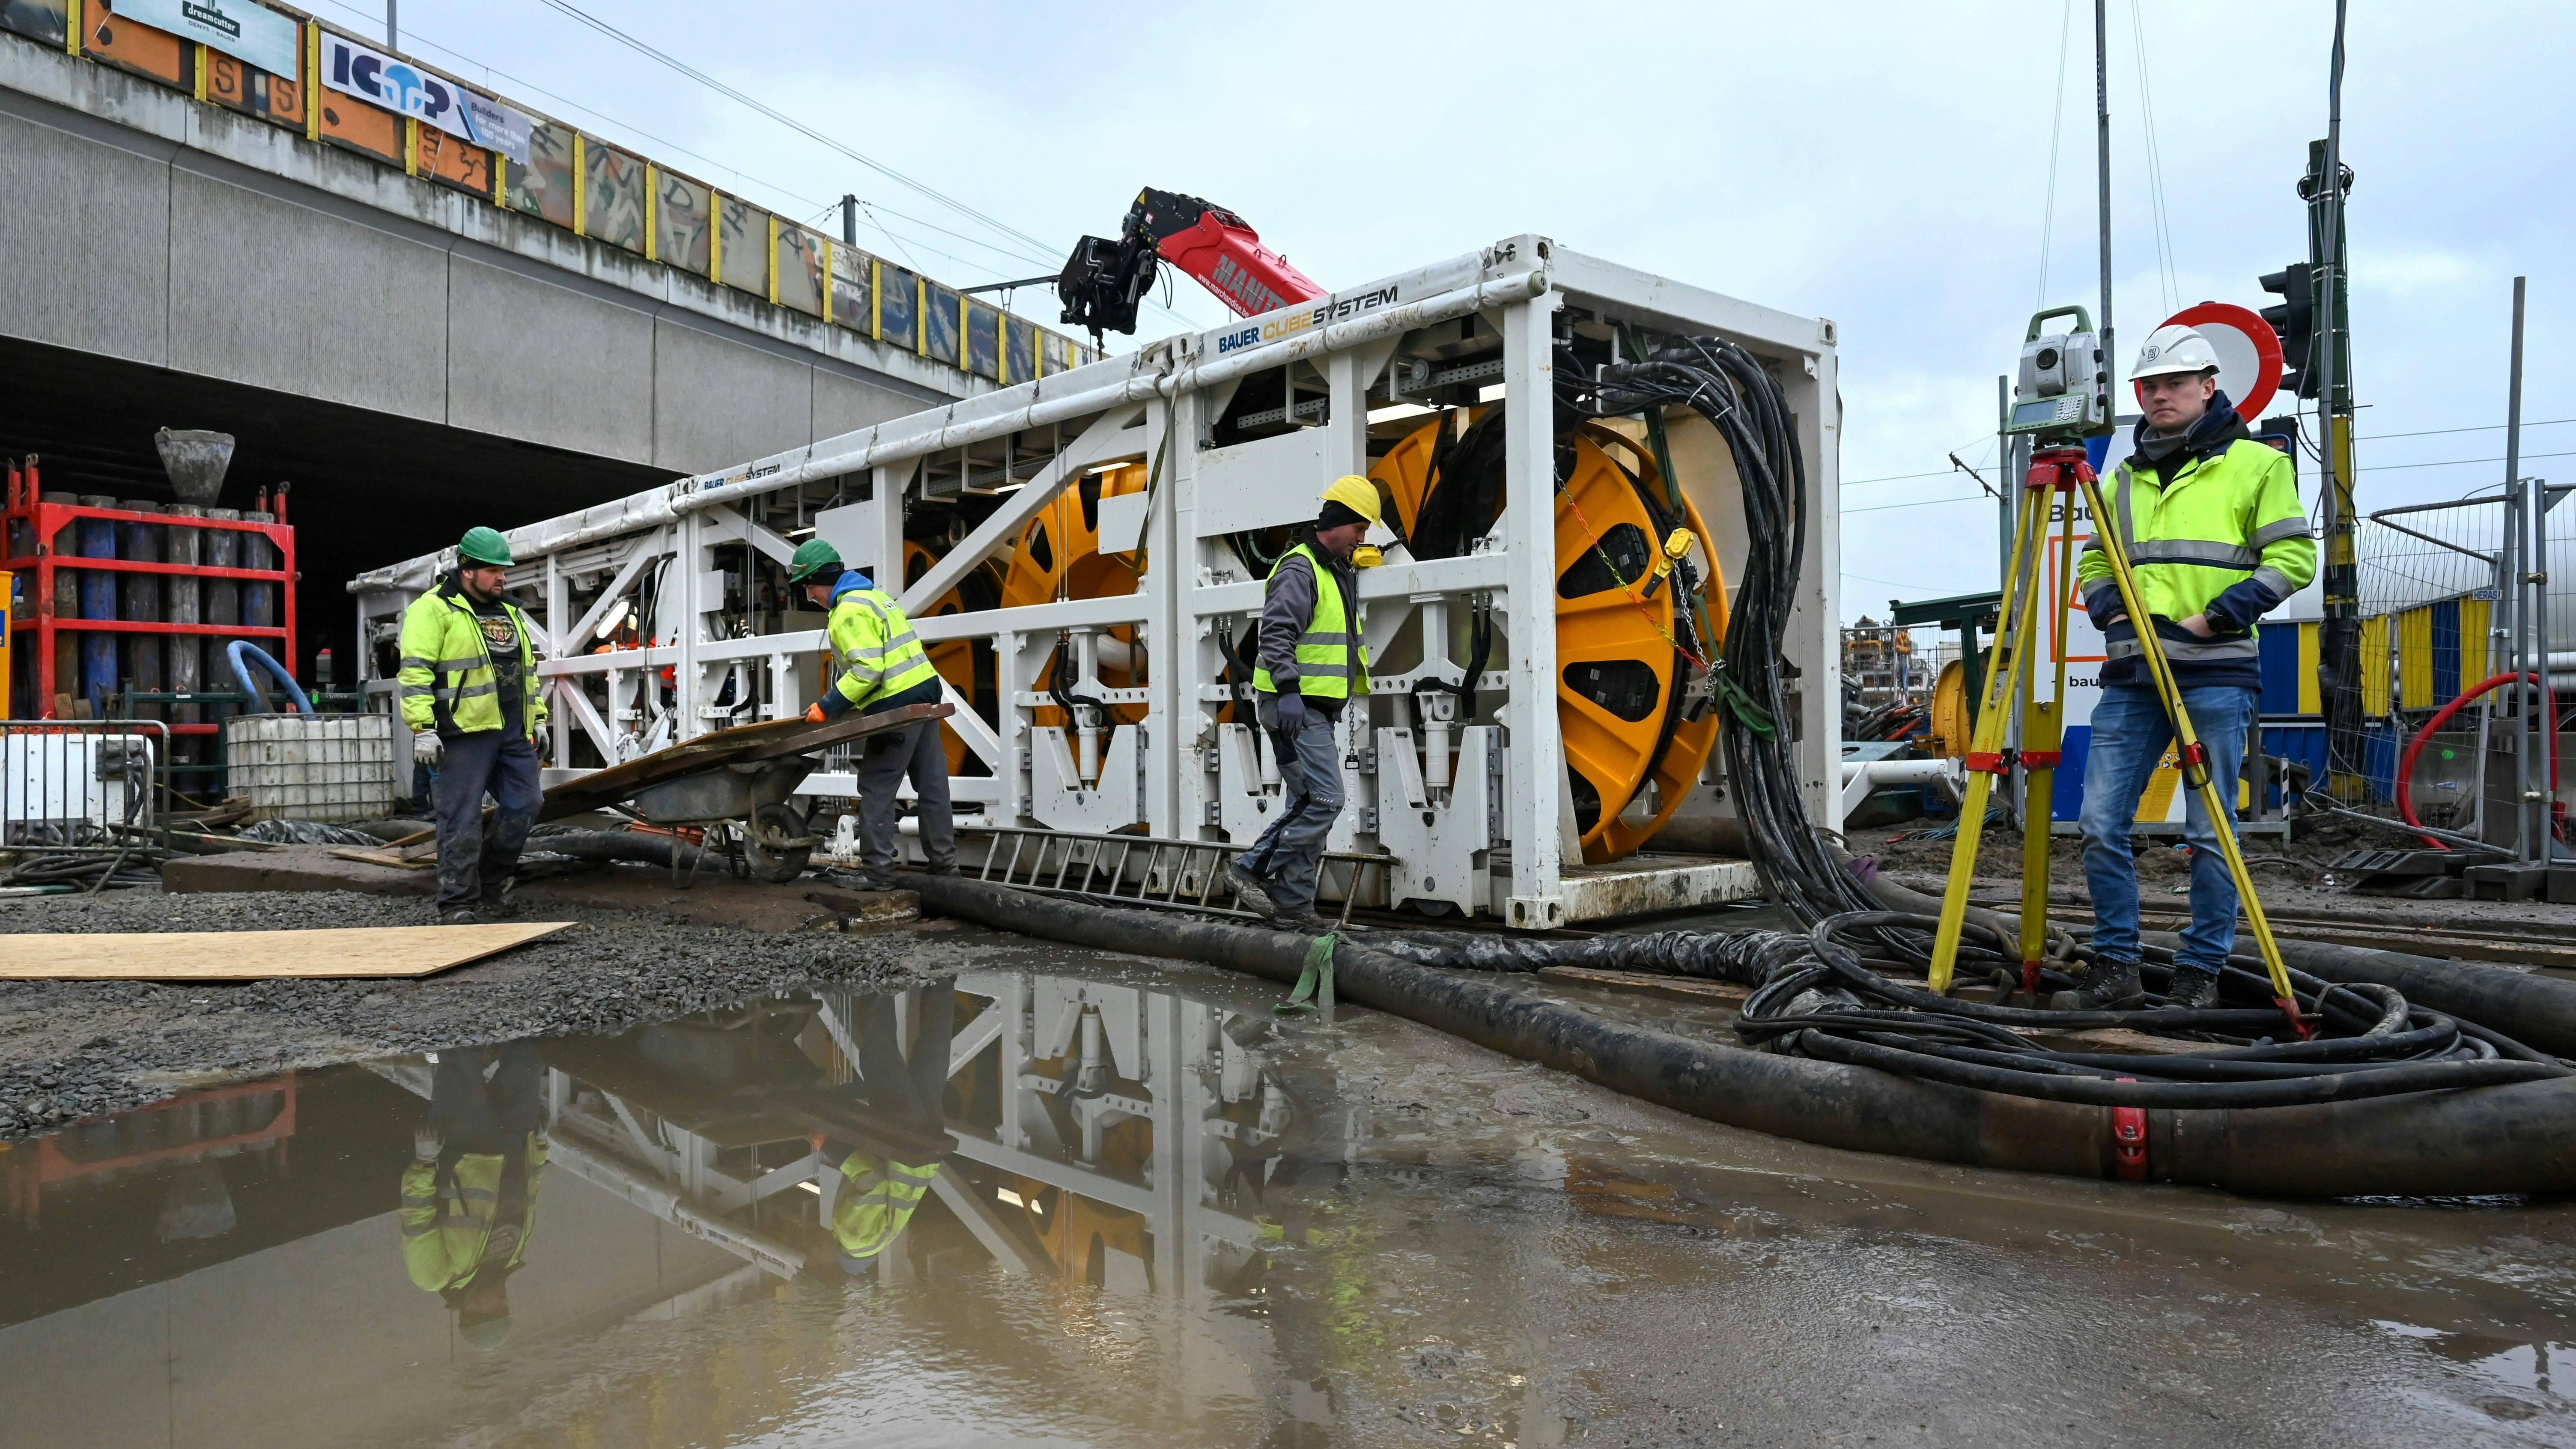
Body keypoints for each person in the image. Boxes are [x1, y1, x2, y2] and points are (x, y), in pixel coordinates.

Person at [2059, 325, 2318, 1011]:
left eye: (2174, 383)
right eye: (2150, 386)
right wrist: (2114, 615)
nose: (2159, 396)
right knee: (2099, 824)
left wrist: (2215, 620)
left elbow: (2293, 559)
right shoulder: (2122, 478)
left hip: (2214, 673)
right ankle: (2115, 965)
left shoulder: (2256, 465)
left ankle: (2200, 972)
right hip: (2135, 677)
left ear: (2209, 386)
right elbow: (2094, 560)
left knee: (2210, 833)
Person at [1226, 475, 1380, 927]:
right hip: (1294, 707)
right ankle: (1250, 868)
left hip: (1312, 707)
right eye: (1360, 528)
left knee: (1309, 799)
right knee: (1327, 799)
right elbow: (1275, 636)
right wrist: (1290, 692)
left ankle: (1294, 909)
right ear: (1339, 522)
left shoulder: (1333, 570)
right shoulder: (1300, 570)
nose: (1362, 538)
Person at [785, 540, 954, 890]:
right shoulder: (876, 597)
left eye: (809, 586)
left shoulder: (848, 610)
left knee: (877, 787)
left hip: (897, 705)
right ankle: (946, 871)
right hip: (925, 692)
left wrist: (827, 707)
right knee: (933, 786)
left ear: (822, 578)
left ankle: (878, 876)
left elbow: (868, 670)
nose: (809, 595)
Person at [400, 527, 547, 925]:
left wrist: (540, 719)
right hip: (460, 734)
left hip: (512, 733)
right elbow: (416, 674)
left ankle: (491, 882)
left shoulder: (510, 612)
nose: (503, 577)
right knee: (460, 818)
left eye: (505, 570)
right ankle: (457, 902)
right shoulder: (433, 609)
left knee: (527, 804)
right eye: (494, 570)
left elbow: (525, 674)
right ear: (467, 571)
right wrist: (423, 728)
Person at [400, 1042, 546, 1352]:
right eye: (505, 1310)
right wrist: (541, 1146)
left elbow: (417, 1214)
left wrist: (424, 1164)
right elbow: (528, 1191)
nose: (503, 1302)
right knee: (529, 1054)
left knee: (459, 1059)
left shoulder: (435, 1276)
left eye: (495, 1311)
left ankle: (452, 1000)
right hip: (515, 1140)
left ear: (472, 1311)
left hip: (463, 1147)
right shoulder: (513, 1254)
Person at [828, 981, 954, 1277]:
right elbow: (872, 1182)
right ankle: (882, 974)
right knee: (877, 1053)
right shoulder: (852, 1239)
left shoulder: (879, 1241)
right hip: (902, 1137)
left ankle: (945, 977)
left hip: (925, 1145)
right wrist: (828, 1146)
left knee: (933, 1049)